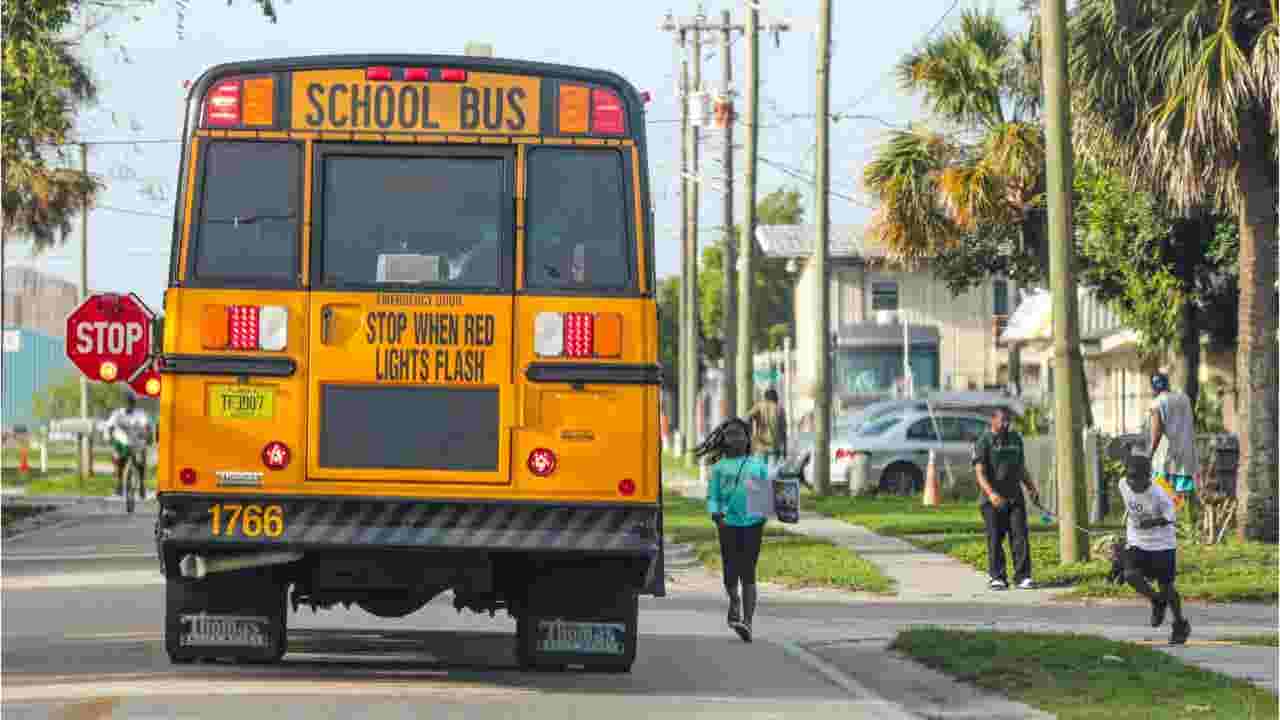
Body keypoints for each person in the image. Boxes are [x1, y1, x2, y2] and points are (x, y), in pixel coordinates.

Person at [696, 417, 770, 643]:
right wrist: (717, 517)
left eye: (739, 433)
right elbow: (713, 497)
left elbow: (763, 500)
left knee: (748, 572)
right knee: (730, 573)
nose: (735, 438)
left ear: (747, 438)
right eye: (730, 434)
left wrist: (760, 518)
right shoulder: (719, 468)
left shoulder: (756, 465)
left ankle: (747, 622)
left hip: (752, 526)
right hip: (727, 526)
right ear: (724, 439)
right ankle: (734, 600)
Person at [1119, 451, 1191, 644]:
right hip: (1137, 542)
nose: (1132, 482)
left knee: (1167, 587)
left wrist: (1152, 522)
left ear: (1147, 477)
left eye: (1137, 477)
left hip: (1162, 545)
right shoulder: (1123, 485)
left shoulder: (1160, 495)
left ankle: (1179, 624)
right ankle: (1156, 600)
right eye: (1129, 476)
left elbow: (1170, 517)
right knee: (1129, 575)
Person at [971, 407, 1041, 590]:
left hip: (1014, 497)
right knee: (995, 538)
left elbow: (1020, 467)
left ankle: (1023, 576)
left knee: (1020, 536)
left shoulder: (1015, 439)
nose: (1006, 424)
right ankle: (997, 577)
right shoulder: (983, 442)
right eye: (1002, 420)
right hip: (992, 500)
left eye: (1008, 420)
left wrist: (1031, 486)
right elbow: (980, 473)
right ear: (992, 420)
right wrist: (991, 494)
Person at [1148, 372, 1200, 531]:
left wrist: (1149, 453)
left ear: (1154, 388)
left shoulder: (1157, 403)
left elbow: (1156, 432)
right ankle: (1192, 525)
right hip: (1186, 451)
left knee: (1161, 487)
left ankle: (1170, 523)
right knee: (1185, 489)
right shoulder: (1184, 398)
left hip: (1165, 455)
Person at [104, 392, 152, 499]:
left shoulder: (140, 414)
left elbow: (146, 426)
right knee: (118, 460)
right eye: (126, 403)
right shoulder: (117, 414)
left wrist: (147, 436)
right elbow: (110, 427)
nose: (128, 405)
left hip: (136, 442)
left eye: (130, 403)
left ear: (134, 404)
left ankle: (142, 486)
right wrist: (110, 438)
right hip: (121, 441)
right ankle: (119, 485)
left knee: (140, 463)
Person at [745, 388, 787, 465]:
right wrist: (785, 449)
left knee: (761, 468)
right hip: (775, 445)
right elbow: (784, 430)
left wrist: (751, 432)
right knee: (773, 469)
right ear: (776, 397)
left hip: (761, 443)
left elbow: (747, 417)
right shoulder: (780, 409)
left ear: (765, 397)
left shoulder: (759, 406)